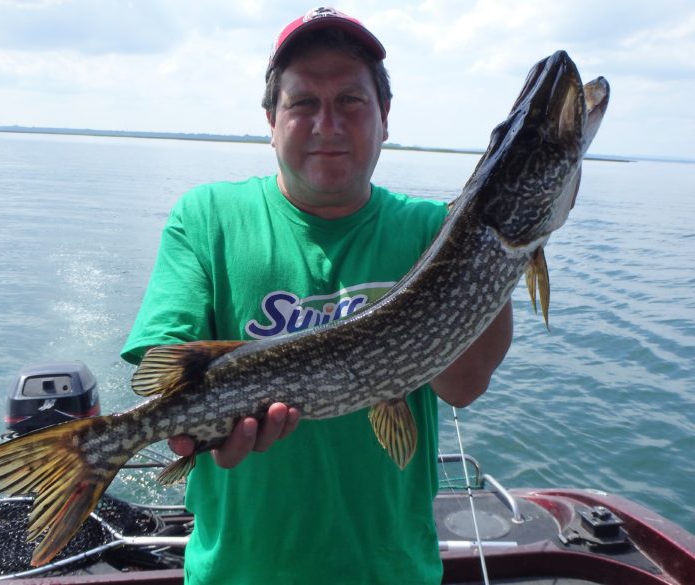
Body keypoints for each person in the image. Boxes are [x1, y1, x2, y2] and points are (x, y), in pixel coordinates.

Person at [122, 7, 513, 584]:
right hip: (237, 573)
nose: (327, 124)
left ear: (384, 117)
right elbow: (165, 371)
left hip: (392, 572)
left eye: (351, 101)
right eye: (303, 102)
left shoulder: (434, 232)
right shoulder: (206, 217)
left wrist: (496, 253)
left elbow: (462, 386)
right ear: (271, 120)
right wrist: (194, 428)